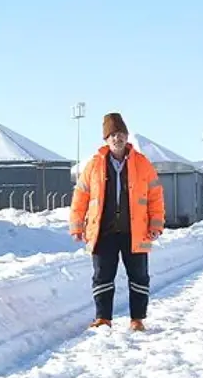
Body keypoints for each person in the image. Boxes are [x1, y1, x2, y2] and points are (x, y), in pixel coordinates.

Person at [70, 112, 165, 331]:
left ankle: (137, 319)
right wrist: (76, 226)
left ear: (126, 136)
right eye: (112, 135)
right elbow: (80, 197)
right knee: (102, 275)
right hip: (103, 231)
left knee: (139, 276)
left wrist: (156, 224)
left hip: (136, 230)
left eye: (120, 134)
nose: (116, 138)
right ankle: (103, 318)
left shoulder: (142, 164)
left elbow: (155, 196)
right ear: (105, 139)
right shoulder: (93, 166)